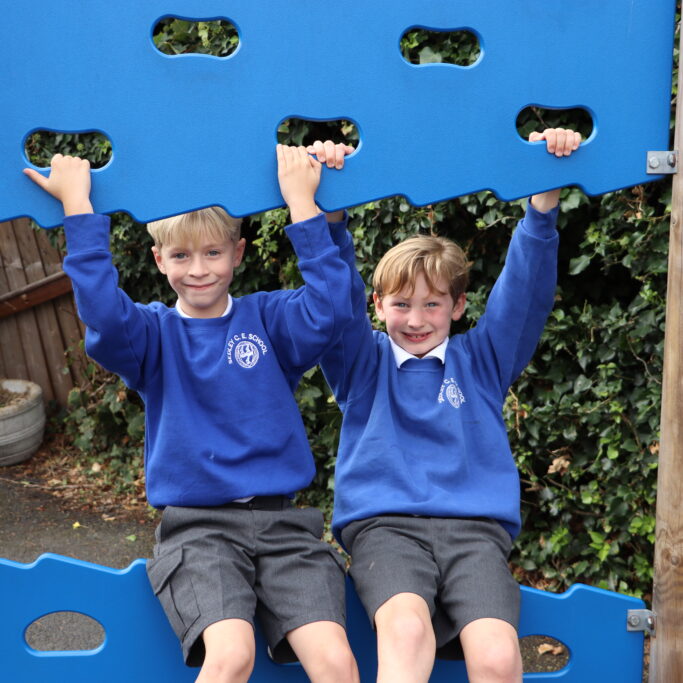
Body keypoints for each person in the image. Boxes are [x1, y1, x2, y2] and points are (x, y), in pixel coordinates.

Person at [24, 145, 360, 683]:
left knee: (337, 663)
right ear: (159, 260)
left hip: (284, 528)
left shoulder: (269, 321)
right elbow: (106, 318)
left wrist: (305, 203)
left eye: (212, 254)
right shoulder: (152, 337)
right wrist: (79, 210)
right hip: (199, 532)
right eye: (181, 256)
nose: (199, 270)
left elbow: (332, 310)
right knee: (231, 656)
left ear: (238, 253)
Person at [310, 129, 581, 683]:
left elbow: (522, 296)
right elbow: (334, 303)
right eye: (401, 304)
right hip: (386, 528)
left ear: (458, 306)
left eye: (432, 304)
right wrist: (330, 218)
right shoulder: (362, 362)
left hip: (474, 532)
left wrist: (543, 203)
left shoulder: (481, 360)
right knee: (407, 631)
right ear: (378, 304)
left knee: (498, 654)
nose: (415, 319)